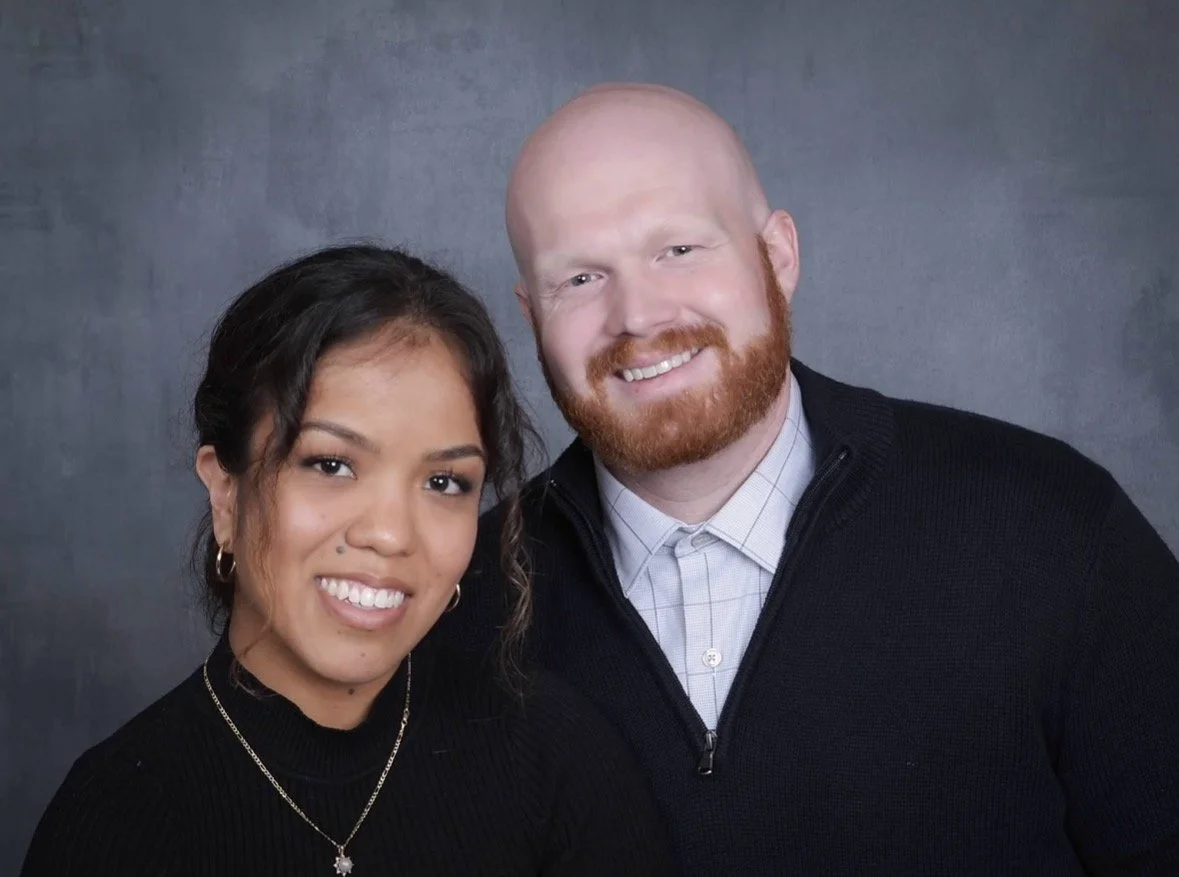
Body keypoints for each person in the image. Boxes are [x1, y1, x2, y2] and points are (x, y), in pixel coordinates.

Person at [443, 83, 1179, 875]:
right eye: (580, 279)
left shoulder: (1051, 522)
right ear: (532, 316)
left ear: (778, 256)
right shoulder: (452, 603)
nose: (639, 315)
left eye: (678, 249)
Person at [21, 245, 675, 876]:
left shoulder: (561, 761)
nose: (389, 535)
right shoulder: (114, 820)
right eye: (331, 465)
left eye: (444, 482)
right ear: (226, 492)